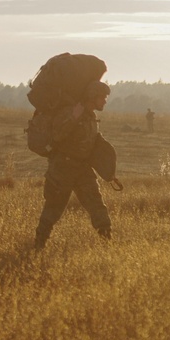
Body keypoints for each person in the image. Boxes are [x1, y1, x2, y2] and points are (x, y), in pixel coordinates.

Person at [34, 80, 113, 249]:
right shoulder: (72, 112)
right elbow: (57, 134)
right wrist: (73, 117)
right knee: (54, 207)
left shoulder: (91, 116)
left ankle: (107, 241)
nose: (105, 101)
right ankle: (39, 244)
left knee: (96, 204)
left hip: (82, 168)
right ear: (92, 96)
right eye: (102, 97)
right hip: (62, 168)